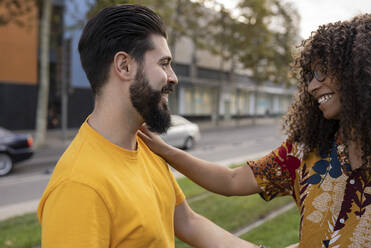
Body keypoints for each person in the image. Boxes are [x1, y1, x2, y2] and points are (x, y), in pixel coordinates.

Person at [139, 14, 371, 248]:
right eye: (310, 76)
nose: (312, 86)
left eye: (322, 71)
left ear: (358, 70)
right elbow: (231, 181)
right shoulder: (302, 152)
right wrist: (165, 151)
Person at [37, 4, 258, 248]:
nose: (173, 77)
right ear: (124, 66)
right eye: (164, 63)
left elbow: (188, 222)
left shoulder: (146, 147)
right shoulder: (78, 187)